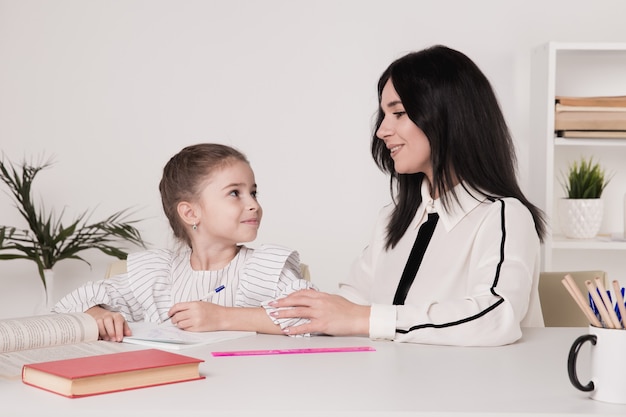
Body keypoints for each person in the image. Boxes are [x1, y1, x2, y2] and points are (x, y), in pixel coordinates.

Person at [270, 45, 547, 346]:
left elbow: (495, 316)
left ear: (447, 116)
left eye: (399, 113)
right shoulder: (392, 219)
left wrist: (366, 319)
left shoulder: (503, 215)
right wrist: (223, 316)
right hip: (391, 384)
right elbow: (347, 305)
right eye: (384, 114)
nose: (382, 130)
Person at [54, 143, 314, 341]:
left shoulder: (264, 268)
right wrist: (98, 314)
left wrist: (223, 318)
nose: (253, 205)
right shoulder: (158, 274)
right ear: (190, 213)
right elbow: (71, 304)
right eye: (235, 193)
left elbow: (311, 316)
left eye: (253, 192)